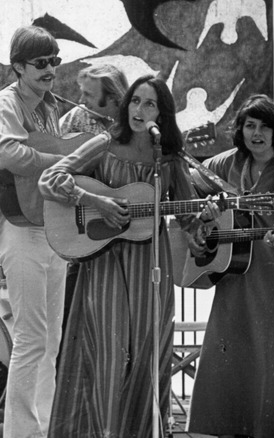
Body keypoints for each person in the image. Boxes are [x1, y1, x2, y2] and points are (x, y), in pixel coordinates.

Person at [39, 74, 201, 437]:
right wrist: (96, 201)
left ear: (163, 114)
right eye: (134, 101)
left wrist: (202, 223)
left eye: (149, 104)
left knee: (145, 351)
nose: (139, 110)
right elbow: (50, 178)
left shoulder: (169, 158)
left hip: (150, 265)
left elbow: (189, 216)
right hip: (106, 263)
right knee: (109, 352)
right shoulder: (103, 143)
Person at [186, 94, 274, 438]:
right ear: (240, 130)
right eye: (249, 125)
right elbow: (186, 187)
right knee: (228, 361)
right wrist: (203, 217)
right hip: (234, 277)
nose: (256, 133)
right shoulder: (225, 164)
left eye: (264, 126)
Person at [0, 25, 69, 437]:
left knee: (51, 341)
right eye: (41, 62)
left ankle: (45, 427)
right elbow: (7, 152)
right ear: (18, 67)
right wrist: (59, 162)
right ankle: (21, 433)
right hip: (19, 228)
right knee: (32, 338)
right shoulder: (6, 102)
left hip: (50, 225)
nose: (51, 67)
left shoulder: (51, 107)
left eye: (55, 60)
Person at [58, 64, 129, 348]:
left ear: (113, 98)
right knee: (71, 322)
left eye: (88, 95)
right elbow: (53, 172)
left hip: (122, 237)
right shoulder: (75, 120)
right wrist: (90, 198)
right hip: (81, 227)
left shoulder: (133, 127)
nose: (81, 100)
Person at [59, 63, 128, 136]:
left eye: (88, 95)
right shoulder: (79, 114)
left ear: (111, 97)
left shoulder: (133, 124)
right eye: (83, 93)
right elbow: (49, 141)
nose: (81, 101)